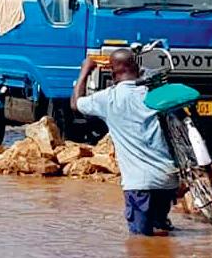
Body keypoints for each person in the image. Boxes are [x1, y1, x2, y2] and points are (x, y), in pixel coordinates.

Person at [71, 50, 178, 236]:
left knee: (140, 244)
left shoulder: (108, 98)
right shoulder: (152, 93)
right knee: (162, 236)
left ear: (113, 73)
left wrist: (85, 71)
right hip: (167, 181)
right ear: (137, 68)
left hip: (139, 185)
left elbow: (75, 104)